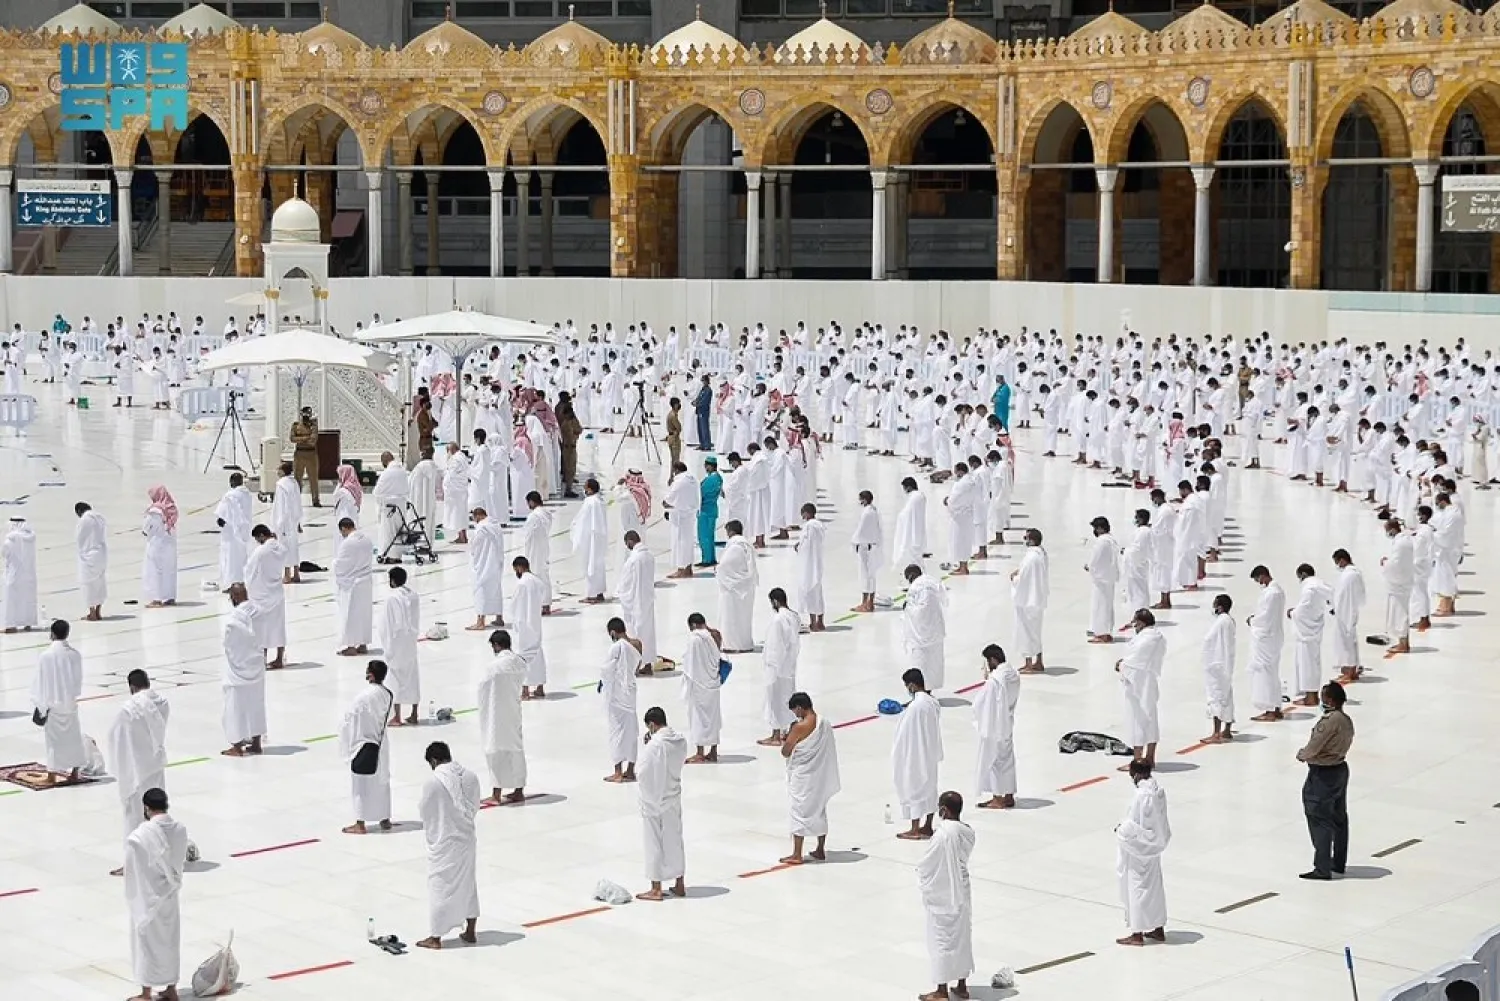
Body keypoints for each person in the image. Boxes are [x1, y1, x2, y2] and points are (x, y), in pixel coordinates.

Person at [124, 787, 189, 1001]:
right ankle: (171, 988)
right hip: (170, 895)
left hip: (149, 898)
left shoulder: (140, 836)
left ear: (146, 807)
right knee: (170, 942)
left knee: (146, 943)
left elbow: (135, 871)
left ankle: (146, 993)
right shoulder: (180, 829)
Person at [415, 741, 481, 949]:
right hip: (467, 839)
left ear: (434, 761)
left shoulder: (434, 782)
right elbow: (476, 804)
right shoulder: (470, 776)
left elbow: (425, 810)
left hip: (445, 842)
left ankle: (435, 937)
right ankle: (470, 931)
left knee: (440, 886)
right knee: (468, 884)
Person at [107, 669, 170, 874]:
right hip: (154, 766)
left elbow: (117, 737)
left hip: (136, 771)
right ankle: (157, 858)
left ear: (132, 687)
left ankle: (132, 863)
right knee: (156, 815)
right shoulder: (162, 703)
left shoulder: (129, 708)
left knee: (134, 818)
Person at [916, 791, 975, 1001]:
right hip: (963, 887)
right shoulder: (968, 831)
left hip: (944, 892)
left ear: (944, 810)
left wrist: (922, 876)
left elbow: (927, 864)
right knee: (961, 936)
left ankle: (941, 990)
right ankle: (962, 985)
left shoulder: (942, 835)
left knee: (941, 938)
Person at [1297, 681, 1353, 880]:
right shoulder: (1346, 720)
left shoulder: (1329, 722)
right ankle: (1338, 861)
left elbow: (1315, 746)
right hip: (1339, 769)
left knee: (1318, 816)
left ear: (1330, 699)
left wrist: (1302, 754)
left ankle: (1322, 867)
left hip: (1323, 773)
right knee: (1339, 818)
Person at [1115, 758, 1171, 946]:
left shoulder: (1142, 795)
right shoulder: (1157, 791)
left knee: (1137, 888)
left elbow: (1136, 824)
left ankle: (1137, 933)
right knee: (1154, 889)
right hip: (1155, 848)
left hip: (1140, 850)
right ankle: (1158, 929)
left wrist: (1121, 830)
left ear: (1136, 773)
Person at [781, 691, 841, 864]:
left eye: (794, 711)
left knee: (799, 811)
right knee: (819, 809)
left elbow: (786, 751)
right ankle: (820, 849)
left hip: (804, 776)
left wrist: (789, 737)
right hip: (819, 774)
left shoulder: (799, 727)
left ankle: (797, 854)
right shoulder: (824, 722)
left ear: (799, 708)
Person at [637, 706, 688, 901]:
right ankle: (679, 883)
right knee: (675, 839)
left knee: (653, 842)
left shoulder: (656, 744)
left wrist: (648, 746)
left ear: (652, 724)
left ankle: (656, 888)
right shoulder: (680, 739)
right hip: (673, 794)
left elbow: (643, 772)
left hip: (655, 800)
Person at [339, 661, 394, 834]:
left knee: (361, 784)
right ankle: (384, 818)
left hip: (363, 742)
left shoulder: (363, 697)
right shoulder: (387, 694)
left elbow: (350, 720)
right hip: (381, 741)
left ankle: (360, 823)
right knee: (382, 781)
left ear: (371, 675)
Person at [477, 629, 528, 805]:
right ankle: (519, 790)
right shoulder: (519, 662)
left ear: (497, 645)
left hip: (496, 714)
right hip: (513, 711)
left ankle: (496, 793)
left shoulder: (494, 667)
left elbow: (483, 688)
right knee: (515, 749)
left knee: (495, 750)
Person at [32, 619, 86, 784]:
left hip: (53, 704)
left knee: (53, 742)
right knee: (73, 737)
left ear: (52, 634)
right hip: (69, 702)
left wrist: (40, 704)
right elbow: (78, 681)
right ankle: (75, 771)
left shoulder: (46, 656)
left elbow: (41, 682)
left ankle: (52, 775)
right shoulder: (75, 654)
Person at [893, 667, 943, 840]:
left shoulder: (915, 707)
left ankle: (914, 829)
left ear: (912, 685)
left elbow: (906, 732)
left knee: (913, 787)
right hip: (930, 752)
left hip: (916, 754)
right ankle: (928, 825)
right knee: (930, 787)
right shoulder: (932, 702)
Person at [1115, 608, 1166, 768]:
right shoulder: (1157, 636)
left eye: (1135, 623)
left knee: (1137, 720)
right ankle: (1150, 758)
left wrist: (1121, 665)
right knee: (1151, 720)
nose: (1134, 626)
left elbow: (1135, 663)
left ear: (1142, 623)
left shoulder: (1146, 639)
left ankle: (1137, 761)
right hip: (1149, 683)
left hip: (1138, 685)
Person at [221, 583, 266, 757]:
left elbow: (230, 645)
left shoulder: (233, 620)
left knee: (235, 706)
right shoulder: (259, 613)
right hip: (256, 665)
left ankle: (237, 745)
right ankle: (256, 742)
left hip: (238, 670)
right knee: (256, 704)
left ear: (236, 597)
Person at [974, 643, 1019, 810]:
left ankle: (998, 798)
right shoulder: (1012, 674)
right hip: (1007, 722)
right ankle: (1009, 796)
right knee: (1008, 760)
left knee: (995, 761)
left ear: (993, 659)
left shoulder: (995, 681)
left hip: (995, 725)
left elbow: (981, 702)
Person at [602, 617, 642, 781]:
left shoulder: (616, 648)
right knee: (631, 730)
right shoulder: (636, 645)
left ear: (612, 632)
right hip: (631, 692)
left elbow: (607, 671)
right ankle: (631, 770)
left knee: (617, 730)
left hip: (617, 695)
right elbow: (637, 667)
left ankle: (618, 771)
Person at [680, 612, 724, 763]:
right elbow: (718, 656)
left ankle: (700, 752)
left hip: (699, 683)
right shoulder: (715, 635)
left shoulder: (694, 639)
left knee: (698, 717)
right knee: (713, 716)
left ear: (692, 625)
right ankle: (713, 751)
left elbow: (690, 663)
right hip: (713, 682)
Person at [760, 588, 801, 746]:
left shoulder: (778, 619)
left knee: (775, 700)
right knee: (787, 699)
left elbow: (776, 646)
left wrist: (771, 666)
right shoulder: (794, 616)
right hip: (789, 666)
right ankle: (789, 730)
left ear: (775, 601)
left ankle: (776, 735)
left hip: (777, 667)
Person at [1288, 562, 1334, 706]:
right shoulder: (1320, 585)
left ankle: (1311, 697)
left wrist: (1292, 613)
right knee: (1313, 663)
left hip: (1306, 633)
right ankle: (1311, 694)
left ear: (1303, 574)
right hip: (1314, 629)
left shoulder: (1309, 588)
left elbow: (1304, 610)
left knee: (1307, 664)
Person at [381, 566, 422, 725]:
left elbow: (391, 623)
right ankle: (414, 713)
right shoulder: (413, 595)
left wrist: (387, 642)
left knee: (395, 678)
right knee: (412, 676)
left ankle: (397, 716)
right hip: (410, 642)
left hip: (397, 643)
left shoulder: (392, 598)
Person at [1246, 565, 1286, 722]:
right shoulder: (1277, 591)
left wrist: (1252, 620)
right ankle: (1275, 706)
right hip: (1273, 636)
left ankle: (1270, 710)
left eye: (1258, 579)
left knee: (1265, 673)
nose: (1258, 582)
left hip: (1266, 638)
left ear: (1263, 575)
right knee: (1272, 673)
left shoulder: (1272, 593)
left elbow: (1266, 617)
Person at [245, 525, 288, 670]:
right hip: (276, 590)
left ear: (262, 535)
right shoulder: (281, 549)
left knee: (261, 628)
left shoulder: (261, 552)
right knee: (278, 627)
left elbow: (250, 570)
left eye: (258, 539)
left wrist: (246, 588)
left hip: (262, 594)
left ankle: (262, 659)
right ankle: (279, 658)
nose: (258, 541)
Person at [617, 531, 659, 670]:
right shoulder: (649, 556)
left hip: (635, 602)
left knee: (636, 633)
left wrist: (622, 595)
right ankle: (647, 664)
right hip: (648, 600)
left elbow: (626, 582)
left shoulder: (633, 559)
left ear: (630, 541)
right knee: (648, 633)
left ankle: (637, 665)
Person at [903, 564, 949, 689]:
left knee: (920, 662)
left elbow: (920, 611)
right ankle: (929, 689)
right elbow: (944, 600)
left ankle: (921, 691)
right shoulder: (932, 581)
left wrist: (907, 607)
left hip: (920, 634)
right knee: (933, 663)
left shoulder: (916, 587)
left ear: (912, 576)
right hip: (936, 630)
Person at [1010, 528, 1050, 673]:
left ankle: (1028, 663)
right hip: (1038, 598)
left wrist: (1014, 578)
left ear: (1032, 540)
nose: (1024, 540)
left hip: (1027, 600)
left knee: (1026, 632)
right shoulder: (1041, 553)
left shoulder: (1031, 557)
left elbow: (1023, 579)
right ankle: (1039, 661)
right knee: (1036, 632)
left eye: (1026, 538)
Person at [334, 518, 374, 657]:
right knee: (364, 614)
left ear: (344, 528)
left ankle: (351, 646)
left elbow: (342, 564)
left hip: (353, 584)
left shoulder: (348, 543)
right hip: (366, 581)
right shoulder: (367, 539)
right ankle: (363, 644)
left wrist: (334, 565)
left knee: (350, 615)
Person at [511, 555, 549, 699]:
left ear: (520, 567)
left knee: (522, 656)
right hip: (536, 624)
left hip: (523, 625)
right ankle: (540, 688)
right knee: (537, 654)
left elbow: (515, 605)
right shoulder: (538, 582)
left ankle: (525, 691)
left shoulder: (522, 584)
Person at [717, 519, 758, 653]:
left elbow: (725, 566)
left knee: (732, 617)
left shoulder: (736, 546)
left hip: (733, 589)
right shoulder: (745, 545)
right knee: (743, 619)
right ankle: (743, 643)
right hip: (744, 588)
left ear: (731, 531)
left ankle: (732, 645)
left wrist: (718, 570)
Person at [1202, 593, 1236, 743]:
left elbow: (1210, 641)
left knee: (1216, 697)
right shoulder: (1229, 621)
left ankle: (1216, 733)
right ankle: (1227, 730)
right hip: (1226, 665)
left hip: (1217, 666)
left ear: (1220, 607)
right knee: (1227, 696)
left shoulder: (1221, 622)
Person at [1379, 516, 1414, 656]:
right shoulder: (1403, 540)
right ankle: (1402, 642)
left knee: (1400, 613)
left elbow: (1396, 565)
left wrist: (1385, 564)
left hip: (1400, 582)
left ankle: (1403, 643)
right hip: (1403, 581)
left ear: (1393, 529)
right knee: (1399, 612)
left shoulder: (1401, 543)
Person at [468, 507, 506, 630]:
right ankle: (499, 618)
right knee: (496, 589)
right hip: (496, 563)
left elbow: (475, 546)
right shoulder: (495, 525)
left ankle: (480, 622)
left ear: (477, 516)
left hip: (484, 564)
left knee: (481, 589)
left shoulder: (481, 528)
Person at [571, 478, 609, 602]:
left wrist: (575, 532)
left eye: (586, 487)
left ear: (590, 489)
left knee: (590, 566)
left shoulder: (590, 502)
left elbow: (583, 521)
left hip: (590, 538)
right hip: (599, 538)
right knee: (599, 565)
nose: (584, 490)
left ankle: (592, 595)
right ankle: (599, 593)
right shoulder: (600, 500)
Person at [1331, 549, 1366, 683]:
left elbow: (1342, 596)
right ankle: (1351, 668)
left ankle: (1351, 671)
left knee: (1347, 643)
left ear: (1342, 560)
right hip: (1349, 611)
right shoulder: (1354, 573)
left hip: (1345, 613)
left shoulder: (1349, 575)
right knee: (1349, 641)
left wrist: (1337, 608)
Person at [214, 472, 253, 590]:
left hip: (231, 532)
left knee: (230, 558)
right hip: (243, 530)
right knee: (241, 557)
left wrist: (221, 520)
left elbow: (223, 513)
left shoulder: (231, 495)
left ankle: (232, 584)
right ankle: (241, 582)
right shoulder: (247, 494)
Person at [141, 485, 179, 607]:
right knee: (170, 571)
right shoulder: (171, 509)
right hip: (170, 544)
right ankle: (169, 597)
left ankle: (156, 598)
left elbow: (146, 528)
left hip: (157, 544)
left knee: (155, 570)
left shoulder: (154, 511)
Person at [1086, 516, 1121, 643]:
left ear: (1100, 528)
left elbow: (1096, 558)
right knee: (1106, 605)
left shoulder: (1102, 541)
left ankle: (1102, 634)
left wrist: (1088, 566)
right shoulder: (1111, 540)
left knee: (1100, 606)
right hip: (1108, 577)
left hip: (1101, 578)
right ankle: (1106, 631)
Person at [663, 461, 700, 578]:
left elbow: (669, 499)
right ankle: (688, 568)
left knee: (680, 543)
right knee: (688, 542)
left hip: (680, 518)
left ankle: (681, 569)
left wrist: (666, 503)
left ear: (676, 470)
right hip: (690, 515)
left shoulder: (679, 481)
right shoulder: (693, 479)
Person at [2, 516, 38, 632]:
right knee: (28, 600)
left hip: (14, 574)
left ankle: (11, 626)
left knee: (12, 600)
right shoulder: (31, 538)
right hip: (29, 575)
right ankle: (28, 623)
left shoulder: (10, 540)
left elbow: (4, 553)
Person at [795, 503, 827, 630]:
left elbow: (807, 546)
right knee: (818, 592)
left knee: (809, 591)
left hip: (808, 565)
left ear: (807, 513)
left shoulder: (809, 527)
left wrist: (799, 547)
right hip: (817, 563)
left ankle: (813, 622)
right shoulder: (819, 526)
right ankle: (820, 621)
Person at [75, 501, 108, 621]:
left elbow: (79, 538)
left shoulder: (84, 520)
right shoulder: (100, 518)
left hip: (88, 554)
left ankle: (92, 612)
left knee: (87, 583)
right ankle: (99, 611)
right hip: (101, 553)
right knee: (100, 581)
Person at [851, 489, 883, 612]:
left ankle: (865, 603)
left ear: (864, 500)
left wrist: (854, 541)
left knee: (864, 575)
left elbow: (861, 530)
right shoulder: (874, 511)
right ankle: (870, 602)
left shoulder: (867, 513)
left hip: (865, 547)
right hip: (873, 546)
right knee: (871, 576)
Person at [272, 462, 304, 584]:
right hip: (294, 520)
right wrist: (298, 520)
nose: (277, 470)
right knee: (294, 547)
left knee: (285, 547)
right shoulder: (294, 483)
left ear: (283, 471)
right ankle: (296, 573)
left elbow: (281, 506)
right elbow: (298, 502)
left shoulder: (281, 485)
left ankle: (287, 575)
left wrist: (278, 524)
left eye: (279, 468)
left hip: (284, 521)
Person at [373, 452, 409, 560]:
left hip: (389, 508)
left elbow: (377, 491)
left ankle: (390, 556)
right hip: (401, 506)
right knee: (399, 532)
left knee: (388, 533)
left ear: (384, 461)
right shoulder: (403, 472)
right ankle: (397, 555)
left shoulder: (387, 473)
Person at [289, 405, 322, 507]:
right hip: (299, 454)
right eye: (304, 414)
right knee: (297, 479)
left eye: (308, 414)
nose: (306, 417)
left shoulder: (313, 425)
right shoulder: (296, 425)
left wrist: (300, 438)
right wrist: (306, 438)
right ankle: (296, 500)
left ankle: (315, 500)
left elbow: (313, 440)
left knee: (313, 479)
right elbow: (292, 438)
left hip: (311, 454)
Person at [440, 446, 470, 544]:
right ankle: (463, 536)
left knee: (457, 514)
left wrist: (445, 486)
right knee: (462, 513)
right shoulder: (463, 457)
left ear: (451, 450)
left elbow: (451, 475)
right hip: (462, 490)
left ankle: (461, 537)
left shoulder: (455, 459)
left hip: (455, 491)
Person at [697, 456, 723, 567]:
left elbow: (701, 494)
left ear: (710, 466)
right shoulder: (718, 478)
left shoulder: (710, 480)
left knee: (704, 536)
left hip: (705, 511)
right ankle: (711, 558)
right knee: (710, 536)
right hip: (712, 509)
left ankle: (706, 559)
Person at [665, 396, 684, 468]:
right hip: (674, 438)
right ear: (675, 405)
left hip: (671, 437)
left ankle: (672, 476)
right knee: (676, 459)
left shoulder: (671, 414)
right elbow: (679, 427)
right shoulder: (673, 416)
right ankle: (673, 476)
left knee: (673, 459)